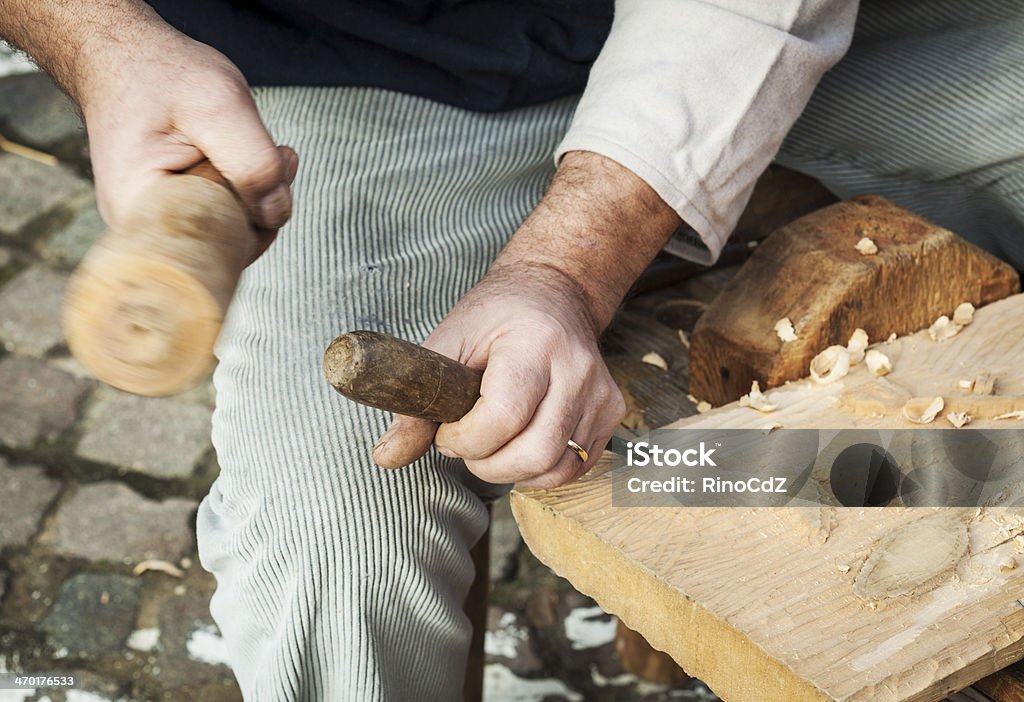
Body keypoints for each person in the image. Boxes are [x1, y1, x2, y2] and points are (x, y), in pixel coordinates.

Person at [2, 0, 1021, 699]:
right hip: (350, 81)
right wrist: (101, 37)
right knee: (331, 540)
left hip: (759, 23)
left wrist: (564, 270)